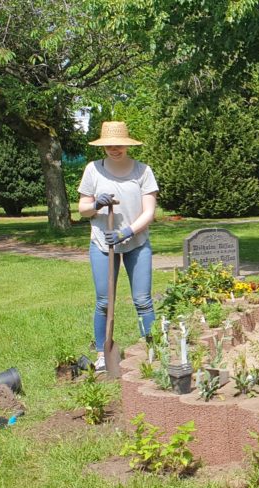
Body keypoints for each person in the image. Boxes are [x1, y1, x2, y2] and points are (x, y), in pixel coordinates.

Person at [77, 121, 158, 371]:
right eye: (110, 145)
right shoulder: (93, 170)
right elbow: (82, 210)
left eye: (119, 145)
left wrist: (127, 231)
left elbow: (149, 212)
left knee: (143, 300)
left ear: (127, 145)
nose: (115, 149)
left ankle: (154, 349)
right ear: (103, 147)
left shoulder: (143, 171)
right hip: (103, 243)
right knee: (104, 301)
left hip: (136, 242)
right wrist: (96, 205)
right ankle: (103, 352)